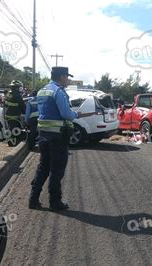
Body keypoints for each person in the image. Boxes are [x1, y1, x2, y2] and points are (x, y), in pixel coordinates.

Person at [29, 67, 94, 210]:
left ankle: (33, 199)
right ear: (61, 77)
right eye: (67, 77)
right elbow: (65, 114)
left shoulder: (42, 90)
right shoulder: (58, 92)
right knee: (56, 170)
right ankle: (54, 202)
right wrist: (77, 115)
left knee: (43, 167)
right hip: (57, 137)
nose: (68, 80)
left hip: (43, 135)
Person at [5, 80, 25, 145]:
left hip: (8, 114)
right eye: (19, 87)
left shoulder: (8, 94)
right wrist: (25, 112)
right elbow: (22, 105)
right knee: (14, 129)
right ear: (16, 88)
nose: (20, 89)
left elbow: (6, 104)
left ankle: (11, 142)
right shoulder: (17, 95)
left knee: (10, 128)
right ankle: (12, 143)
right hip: (14, 115)